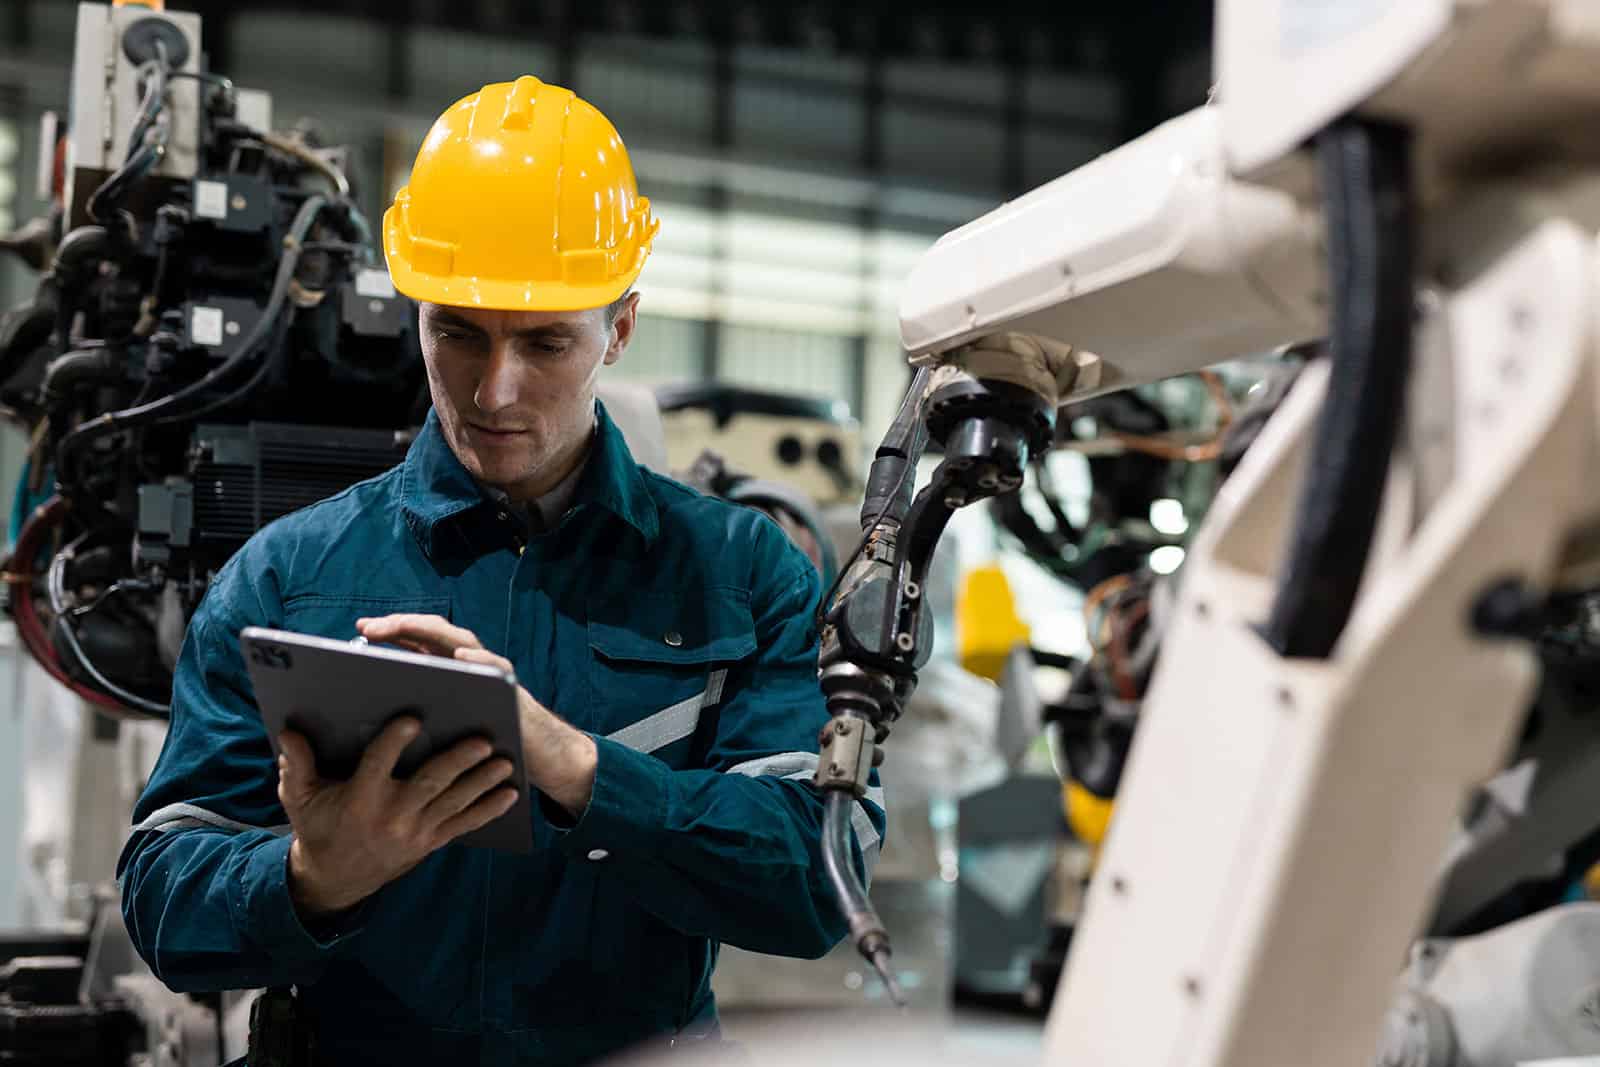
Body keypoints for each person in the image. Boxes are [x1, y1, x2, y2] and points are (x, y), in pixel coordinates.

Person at [117, 76, 885, 1065]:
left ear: (619, 328)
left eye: (546, 342)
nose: (494, 390)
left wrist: (570, 763)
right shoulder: (287, 578)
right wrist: (313, 875)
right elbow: (164, 891)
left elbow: (816, 877)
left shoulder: (741, 574)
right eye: (458, 332)